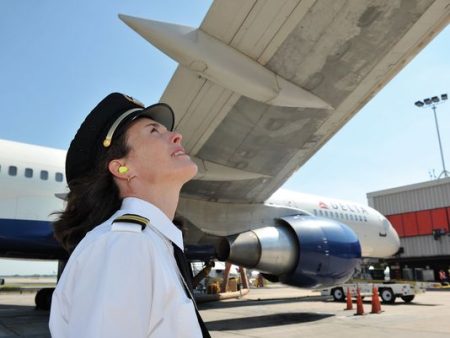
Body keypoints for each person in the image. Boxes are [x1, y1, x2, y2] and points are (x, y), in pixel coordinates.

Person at [49, 93, 210, 337]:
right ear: (121, 168)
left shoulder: (149, 244)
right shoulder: (126, 245)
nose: (177, 136)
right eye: (154, 131)